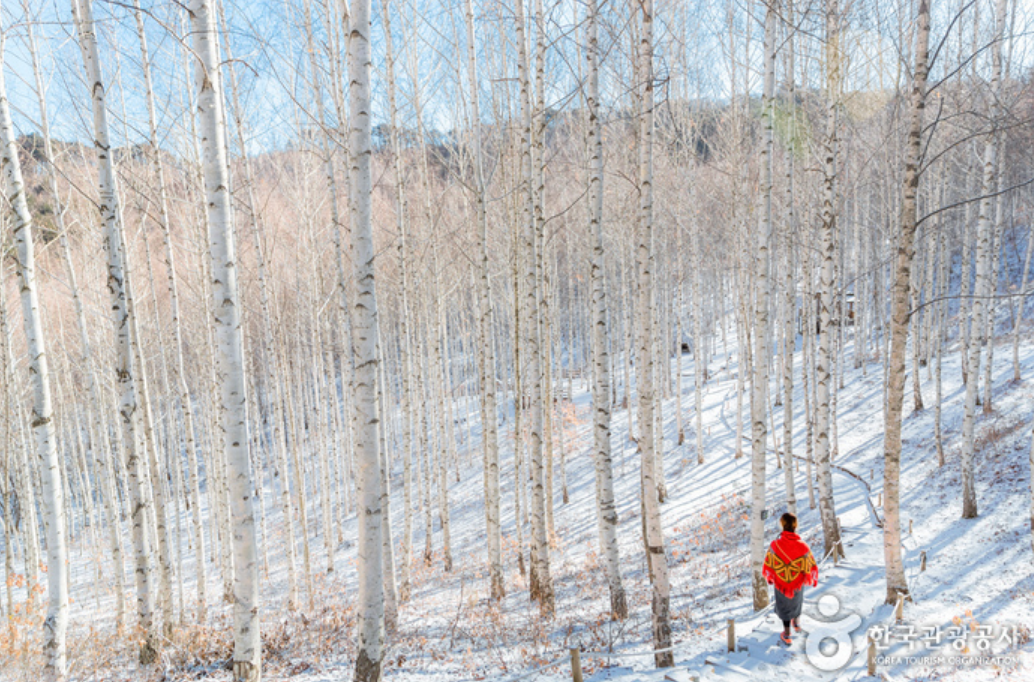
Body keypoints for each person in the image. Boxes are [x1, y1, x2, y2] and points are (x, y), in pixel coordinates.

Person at [763, 512, 819, 646]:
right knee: (796, 601)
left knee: (783, 605)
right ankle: (797, 623)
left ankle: (787, 633)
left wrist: (771, 576)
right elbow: (810, 564)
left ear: (782, 524)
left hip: (781, 581)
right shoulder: (802, 545)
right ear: (796, 525)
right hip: (797, 581)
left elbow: (769, 562)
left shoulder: (775, 545)